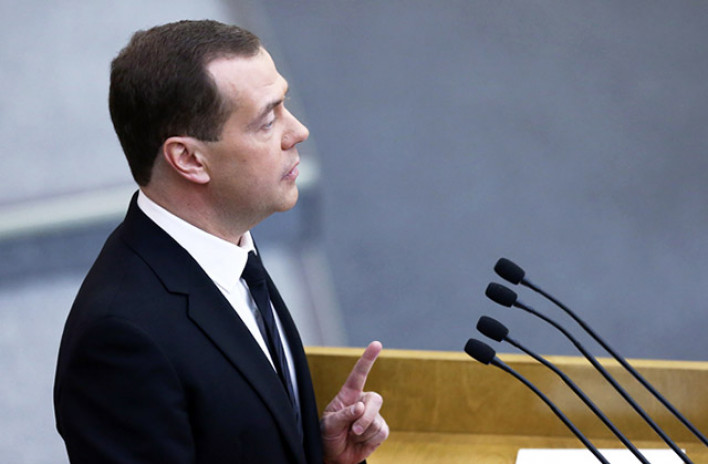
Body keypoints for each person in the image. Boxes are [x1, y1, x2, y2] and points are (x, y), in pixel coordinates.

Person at [53, 19, 388, 464]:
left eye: (284, 105)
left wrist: (322, 455)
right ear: (189, 159)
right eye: (267, 120)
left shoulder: (230, 249)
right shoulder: (118, 340)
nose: (297, 131)